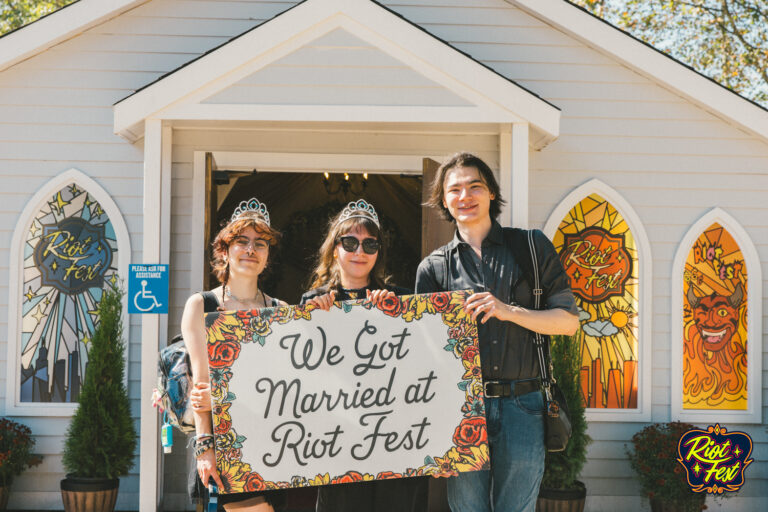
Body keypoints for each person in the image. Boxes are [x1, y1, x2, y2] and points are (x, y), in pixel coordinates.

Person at [415, 153, 579, 512]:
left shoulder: (532, 248)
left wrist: (508, 311)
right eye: (454, 189)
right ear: (444, 201)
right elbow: (423, 353)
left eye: (475, 186)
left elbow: (568, 322)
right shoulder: (432, 269)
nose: (465, 195)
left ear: (491, 194)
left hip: (525, 404)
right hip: (461, 409)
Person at [300, 199, 429, 512]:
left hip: (393, 438)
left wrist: (398, 317)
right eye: (350, 242)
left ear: (378, 253)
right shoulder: (313, 302)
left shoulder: (399, 300)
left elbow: (422, 363)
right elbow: (301, 371)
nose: (359, 251)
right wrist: (311, 321)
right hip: (338, 437)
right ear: (335, 249)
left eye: (370, 244)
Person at [183, 198, 287, 512]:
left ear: (268, 256)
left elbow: (283, 390)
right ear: (225, 250)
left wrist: (225, 396)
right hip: (222, 446)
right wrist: (205, 450)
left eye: (261, 244)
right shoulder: (201, 306)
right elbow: (201, 387)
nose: (251, 250)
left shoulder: (280, 311)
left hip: (271, 448)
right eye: (242, 241)